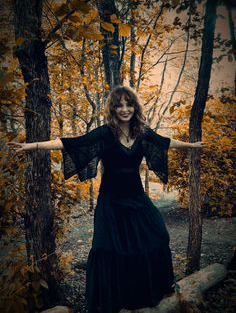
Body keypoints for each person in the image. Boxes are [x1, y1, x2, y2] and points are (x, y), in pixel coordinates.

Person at [7, 86, 206, 313]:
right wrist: (31, 146)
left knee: (158, 235)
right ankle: (110, 301)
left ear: (135, 107)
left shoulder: (142, 133)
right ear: (112, 108)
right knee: (108, 249)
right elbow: (69, 142)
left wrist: (191, 146)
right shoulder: (105, 134)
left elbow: (165, 142)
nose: (124, 109)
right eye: (119, 105)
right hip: (110, 203)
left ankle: (144, 293)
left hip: (137, 200)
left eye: (128, 104)